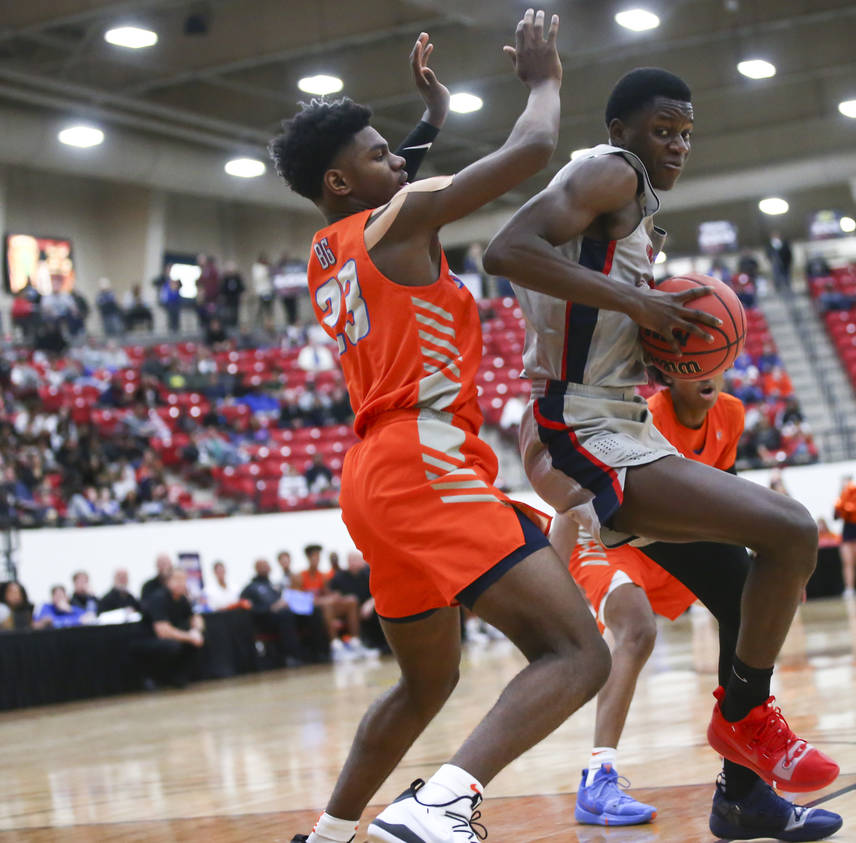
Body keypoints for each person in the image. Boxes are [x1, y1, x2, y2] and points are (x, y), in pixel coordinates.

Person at [272, 17, 611, 843]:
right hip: (426, 458)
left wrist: (431, 122)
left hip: (371, 477)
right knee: (578, 653)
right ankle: (442, 802)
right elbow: (531, 153)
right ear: (339, 179)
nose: (398, 158)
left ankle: (326, 835)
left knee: (427, 681)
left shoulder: (328, 246)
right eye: (379, 151)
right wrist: (543, 80)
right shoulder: (405, 216)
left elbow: (393, 187)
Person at [485, 62, 839, 816]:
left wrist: (647, 330)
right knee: (790, 531)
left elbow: (580, 300)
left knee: (745, 587)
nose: (677, 144)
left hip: (615, 420)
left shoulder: (624, 201)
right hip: (576, 426)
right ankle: (743, 722)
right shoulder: (613, 172)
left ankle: (742, 798)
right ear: (622, 132)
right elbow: (506, 250)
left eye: (685, 132)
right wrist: (639, 302)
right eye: (662, 130)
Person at [553, 372, 842, 839]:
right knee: (637, 630)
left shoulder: (730, 411)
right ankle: (597, 776)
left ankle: (740, 795)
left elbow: (726, 507)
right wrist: (553, 580)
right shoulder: (647, 416)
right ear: (667, 371)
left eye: (714, 355)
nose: (705, 370)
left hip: (673, 541)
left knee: (748, 610)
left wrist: (774, 577)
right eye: (692, 358)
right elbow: (571, 499)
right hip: (613, 540)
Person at [135, 567, 205, 688]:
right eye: (177, 579)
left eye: (184, 580)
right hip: (147, 640)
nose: (181, 583)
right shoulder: (158, 598)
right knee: (173, 645)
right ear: (168, 581)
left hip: (169, 637)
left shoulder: (182, 599)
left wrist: (196, 631)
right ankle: (155, 678)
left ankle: (179, 677)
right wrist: (190, 637)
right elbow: (163, 631)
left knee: (200, 639)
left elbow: (195, 617)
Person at [241, 558, 307, 666]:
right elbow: (249, 609)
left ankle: (314, 651)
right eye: (262, 565)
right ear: (256, 568)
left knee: (303, 613)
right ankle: (291, 656)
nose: (266, 567)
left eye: (267, 565)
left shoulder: (274, 585)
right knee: (285, 615)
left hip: (283, 615)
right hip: (264, 620)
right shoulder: (250, 588)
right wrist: (269, 608)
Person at [834, 477, 856, 598]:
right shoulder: (840, 500)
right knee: (848, 562)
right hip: (847, 532)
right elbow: (836, 516)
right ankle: (849, 588)